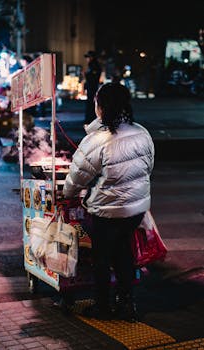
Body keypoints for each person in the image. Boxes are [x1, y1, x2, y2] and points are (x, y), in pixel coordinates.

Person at [63, 82, 155, 321]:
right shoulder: (142, 132)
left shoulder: (98, 139)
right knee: (124, 254)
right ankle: (126, 304)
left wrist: (69, 194)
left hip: (107, 213)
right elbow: (148, 167)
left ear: (101, 106)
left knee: (102, 259)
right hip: (135, 210)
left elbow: (76, 178)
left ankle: (102, 307)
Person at [83, 50, 102, 124]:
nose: (87, 59)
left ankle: (90, 119)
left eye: (88, 57)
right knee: (91, 103)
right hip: (92, 87)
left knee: (91, 103)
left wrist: (86, 75)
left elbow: (93, 77)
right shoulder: (93, 65)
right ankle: (90, 118)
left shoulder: (93, 65)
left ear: (91, 58)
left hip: (92, 87)